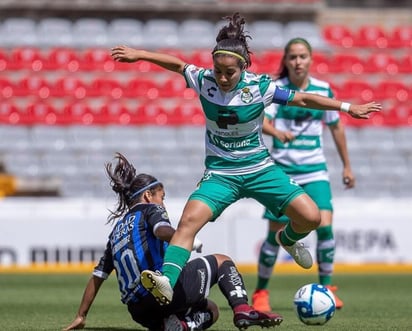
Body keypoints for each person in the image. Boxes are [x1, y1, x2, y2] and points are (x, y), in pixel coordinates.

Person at [110, 12, 380, 307]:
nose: (223, 78)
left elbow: (303, 99)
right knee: (188, 221)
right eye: (218, 71)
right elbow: (177, 64)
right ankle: (166, 282)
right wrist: (139, 55)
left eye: (230, 73)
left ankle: (287, 239)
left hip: (260, 169)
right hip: (220, 174)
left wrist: (347, 107)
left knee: (312, 218)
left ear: (244, 67)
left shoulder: (260, 88)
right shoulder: (204, 80)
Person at [62, 153, 282, 331]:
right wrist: (185, 238)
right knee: (222, 261)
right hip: (164, 291)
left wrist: (81, 315)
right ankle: (242, 309)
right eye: (162, 197)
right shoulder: (151, 210)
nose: (163, 203)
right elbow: (161, 231)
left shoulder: (116, 232)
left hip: (139, 311)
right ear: (148, 195)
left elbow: (98, 275)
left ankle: (179, 326)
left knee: (211, 310)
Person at [252, 37, 352, 312]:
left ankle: (328, 288)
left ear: (310, 60)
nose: (298, 62)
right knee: (274, 235)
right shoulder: (277, 90)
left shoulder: (323, 89)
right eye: (293, 57)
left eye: (302, 56)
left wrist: (346, 165)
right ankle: (260, 292)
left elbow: (336, 128)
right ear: (285, 61)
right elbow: (262, 121)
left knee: (326, 226)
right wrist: (276, 132)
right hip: (282, 171)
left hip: (315, 169)